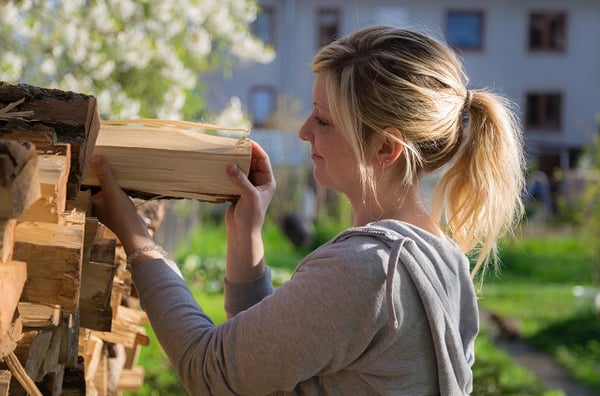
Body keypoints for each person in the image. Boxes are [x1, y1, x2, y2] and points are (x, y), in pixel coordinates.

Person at [91, 25, 524, 395]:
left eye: (323, 120)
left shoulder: (368, 270)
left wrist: (137, 238)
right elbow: (263, 364)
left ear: (385, 148)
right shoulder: (440, 260)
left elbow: (210, 372)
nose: (303, 131)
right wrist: (247, 236)